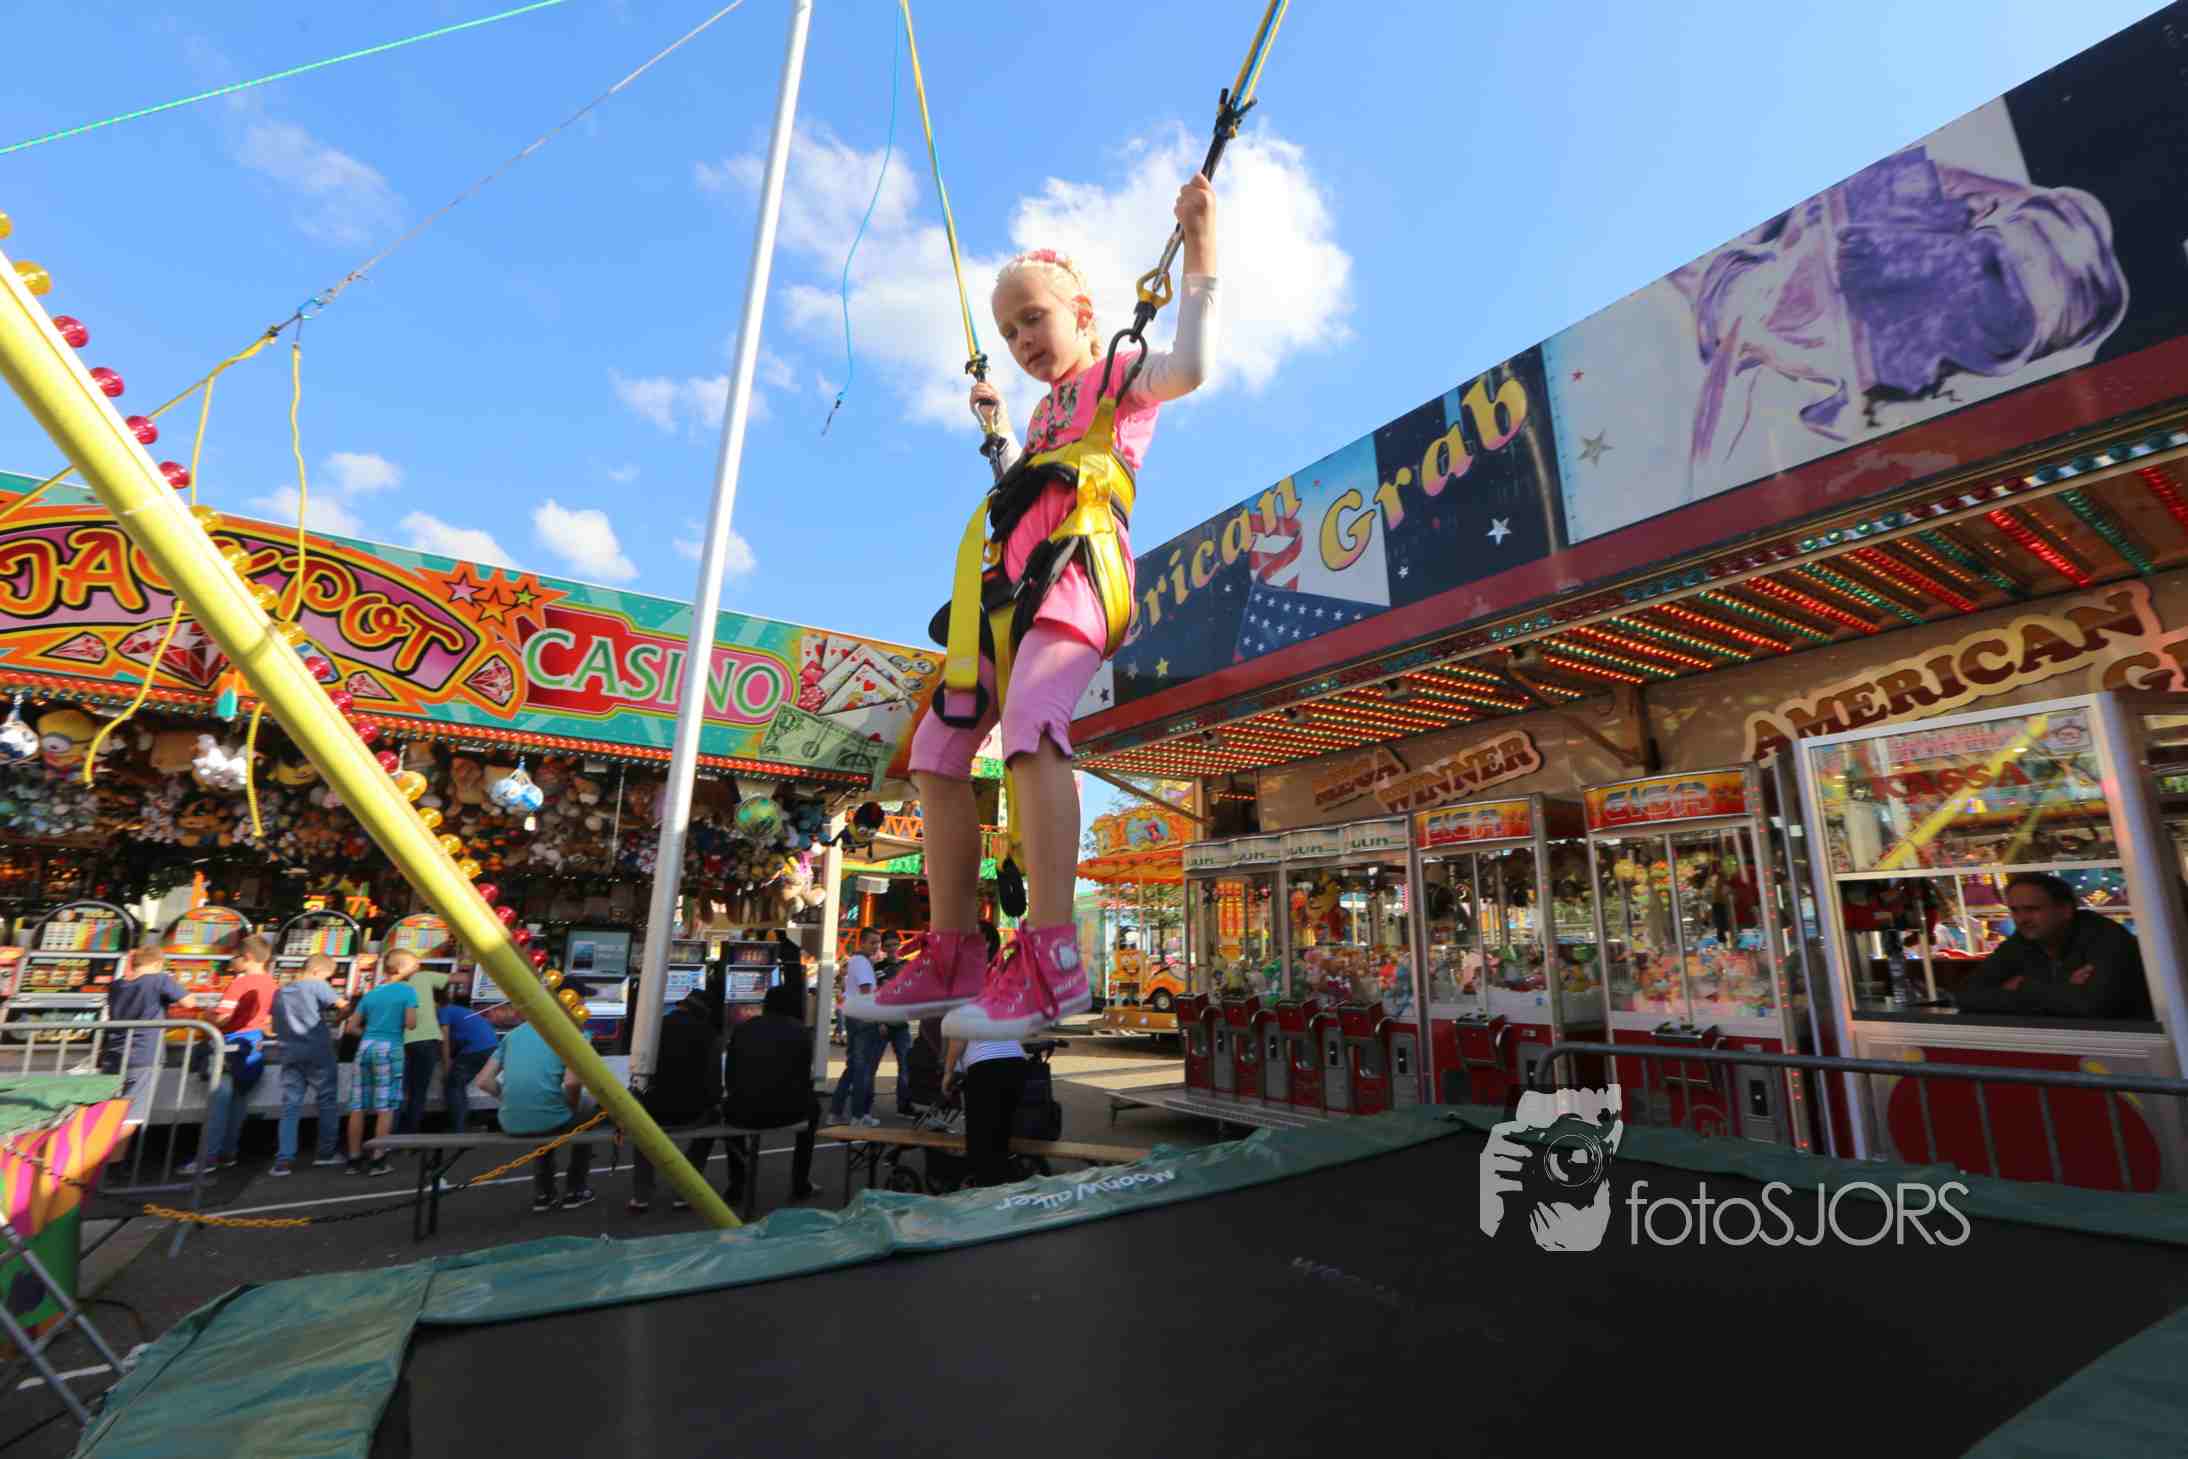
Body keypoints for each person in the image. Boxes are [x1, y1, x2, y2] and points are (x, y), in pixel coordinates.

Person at [848, 175, 1219, 1040]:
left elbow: (1191, 367)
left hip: (1077, 575)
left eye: (1033, 319)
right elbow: (1027, 481)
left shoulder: (1118, 371)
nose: (1021, 341)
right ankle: (954, 952)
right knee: (937, 749)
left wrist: (1202, 245)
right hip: (1007, 594)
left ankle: (1053, 958)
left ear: (1084, 314)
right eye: (1010, 330)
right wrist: (1001, 430)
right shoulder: (1050, 409)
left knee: (1030, 724)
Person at [1954, 873, 2152, 1019]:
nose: (2022, 919)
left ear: (2065, 910)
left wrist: (2022, 986)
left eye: (2032, 909)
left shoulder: (2105, 937)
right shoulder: (2022, 940)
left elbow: (2094, 1006)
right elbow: (1966, 996)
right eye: (2015, 910)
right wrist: (2064, 987)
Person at [475, 1018, 595, 1212]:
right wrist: (571, 1107)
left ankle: (544, 1194)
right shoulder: (574, 1032)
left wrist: (507, 1099)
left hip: (510, 1122)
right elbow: (572, 1082)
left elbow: (483, 1081)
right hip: (551, 1119)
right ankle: (576, 1190)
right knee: (586, 1112)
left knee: (543, 1117)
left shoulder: (512, 1035)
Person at [186, 935, 280, 1173]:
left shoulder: (240, 983)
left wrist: (204, 1015)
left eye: (234, 957)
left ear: (246, 957)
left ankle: (207, 1158)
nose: (232, 961)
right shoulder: (272, 983)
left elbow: (223, 1019)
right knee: (238, 1104)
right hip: (253, 1047)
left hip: (228, 1047)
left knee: (218, 1104)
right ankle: (228, 1153)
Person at [722, 982, 820, 1206]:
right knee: (813, 1110)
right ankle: (800, 1183)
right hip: (787, 1111)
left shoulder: (743, 1029)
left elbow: (730, 1074)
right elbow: (803, 1075)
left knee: (729, 1115)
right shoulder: (800, 1032)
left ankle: (737, 1184)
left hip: (742, 1111)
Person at [629, 987, 725, 1214]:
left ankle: (641, 1195)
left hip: (653, 1110)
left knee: (643, 1128)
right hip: (692, 1113)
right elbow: (713, 1083)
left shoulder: (654, 1029)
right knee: (712, 1124)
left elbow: (639, 1073)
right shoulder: (710, 1034)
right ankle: (686, 1191)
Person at [268, 953, 347, 1176]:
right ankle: (325, 1154)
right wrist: (337, 1020)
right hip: (318, 1051)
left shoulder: (281, 991)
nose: (327, 981)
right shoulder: (317, 985)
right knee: (327, 1101)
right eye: (327, 976)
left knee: (290, 1106)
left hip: (290, 1052)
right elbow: (344, 1006)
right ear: (317, 971)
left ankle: (284, 1159)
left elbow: (273, 1026)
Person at [344, 966, 418, 1176]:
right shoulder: (408, 991)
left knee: (357, 1106)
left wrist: (371, 1034)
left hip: (365, 1047)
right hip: (390, 1048)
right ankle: (378, 1160)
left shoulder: (372, 993)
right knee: (386, 1107)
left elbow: (351, 1027)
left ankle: (354, 1159)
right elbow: (411, 1023)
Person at [102, 944, 188, 1104]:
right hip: (144, 1054)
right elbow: (189, 1002)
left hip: (114, 1054)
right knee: (133, 1112)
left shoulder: (115, 985)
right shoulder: (160, 980)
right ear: (158, 963)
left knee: (109, 1110)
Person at [943, 1032, 1027, 1189]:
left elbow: (958, 1039)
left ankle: (987, 1189)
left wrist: (948, 1072)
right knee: (1001, 1132)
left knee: (981, 1139)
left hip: (986, 1067)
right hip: (1016, 1064)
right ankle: (1003, 1185)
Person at [828, 928, 885, 1127]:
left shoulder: (856, 961)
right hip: (864, 1018)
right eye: (872, 942)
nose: (876, 946)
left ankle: (836, 1112)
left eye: (878, 942)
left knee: (853, 1067)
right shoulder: (862, 963)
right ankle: (859, 1115)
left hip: (854, 1016)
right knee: (862, 1069)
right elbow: (866, 990)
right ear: (862, 943)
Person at [390, 950, 449, 1135]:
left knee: (398, 1091)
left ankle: (393, 1134)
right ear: (403, 967)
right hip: (427, 1040)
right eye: (415, 963)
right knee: (418, 1092)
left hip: (401, 1042)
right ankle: (410, 1136)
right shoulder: (423, 976)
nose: (419, 966)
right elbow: (460, 979)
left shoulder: (388, 987)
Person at [434, 985, 500, 1136]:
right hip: (490, 1046)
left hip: (476, 1048)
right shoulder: (457, 1010)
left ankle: (459, 1130)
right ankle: (470, 1123)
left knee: (453, 1085)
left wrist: (447, 1065)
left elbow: (445, 1041)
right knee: (462, 1084)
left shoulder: (443, 1011)